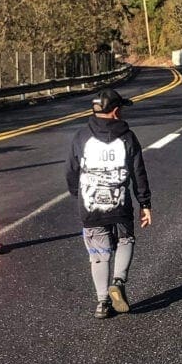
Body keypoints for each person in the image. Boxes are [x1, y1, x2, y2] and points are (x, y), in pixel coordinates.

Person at [66, 89, 153, 319]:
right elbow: (138, 172)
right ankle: (119, 280)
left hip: (91, 205)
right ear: (115, 112)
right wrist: (145, 203)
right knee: (126, 239)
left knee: (98, 253)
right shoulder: (128, 137)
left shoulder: (81, 137)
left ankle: (102, 302)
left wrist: (77, 194)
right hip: (120, 204)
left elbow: (71, 170)